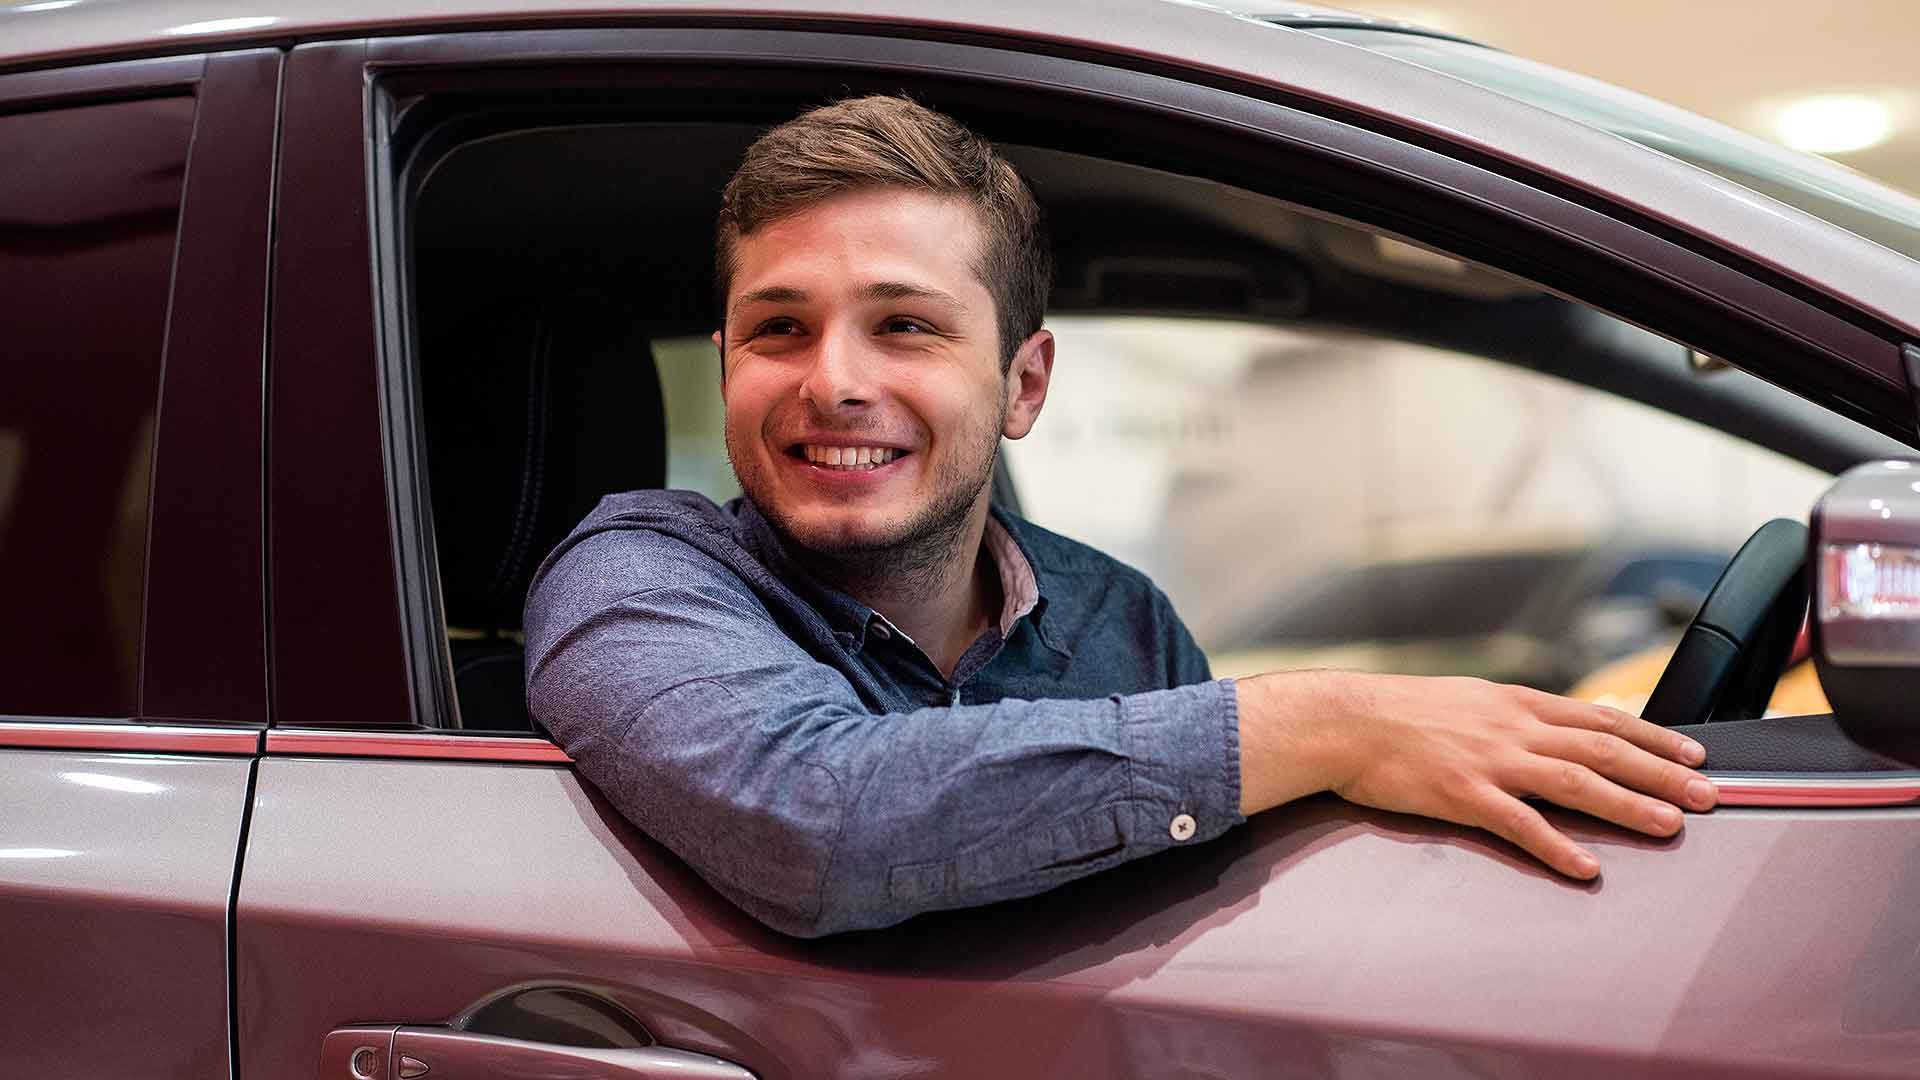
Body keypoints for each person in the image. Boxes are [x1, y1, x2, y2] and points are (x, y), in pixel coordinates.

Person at [523, 95, 1717, 938]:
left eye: (905, 325)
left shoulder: (1115, 616)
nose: (833, 378)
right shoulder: (635, 579)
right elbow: (820, 821)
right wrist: (1332, 721)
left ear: (1024, 385)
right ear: (730, 364)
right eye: (780, 327)